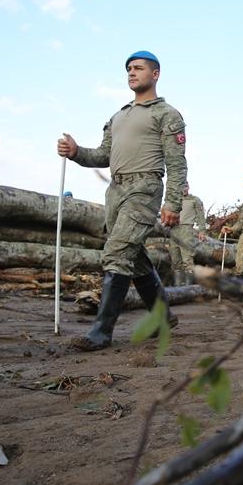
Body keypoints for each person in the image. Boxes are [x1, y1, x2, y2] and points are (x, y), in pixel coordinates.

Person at [56, 50, 186, 351]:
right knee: (134, 257)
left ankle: (101, 331)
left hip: (144, 188)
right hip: (116, 191)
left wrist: (172, 203)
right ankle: (163, 316)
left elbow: (177, 163)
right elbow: (102, 156)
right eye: (129, 68)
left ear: (155, 74)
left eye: (138, 68)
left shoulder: (166, 114)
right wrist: (76, 152)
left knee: (117, 252)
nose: (132, 72)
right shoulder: (118, 116)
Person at [169, 183, 206, 286]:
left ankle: (189, 288)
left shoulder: (195, 200)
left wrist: (202, 231)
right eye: (181, 186)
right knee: (175, 260)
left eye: (185, 186)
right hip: (174, 229)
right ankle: (178, 288)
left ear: (188, 187)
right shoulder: (173, 200)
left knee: (187, 259)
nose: (183, 189)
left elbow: (200, 216)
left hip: (187, 229)